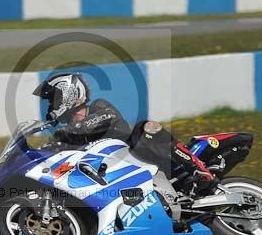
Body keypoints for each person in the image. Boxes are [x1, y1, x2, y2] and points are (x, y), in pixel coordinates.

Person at [32, 72, 216, 195]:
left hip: (140, 157)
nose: (51, 107)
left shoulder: (99, 106)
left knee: (145, 128)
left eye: (53, 101)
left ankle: (199, 170)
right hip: (111, 177)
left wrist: (70, 132)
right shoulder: (65, 134)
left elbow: (103, 118)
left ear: (68, 94)